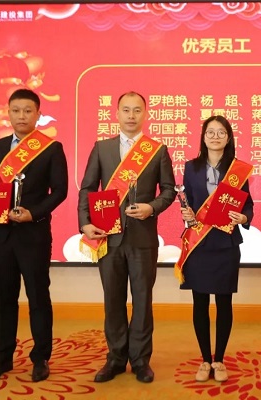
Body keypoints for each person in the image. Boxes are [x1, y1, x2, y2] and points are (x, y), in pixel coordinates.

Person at [78, 91, 176, 384]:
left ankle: (141, 360)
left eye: (137, 110)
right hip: (108, 237)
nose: (131, 115)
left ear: (145, 114)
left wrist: (151, 207)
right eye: (126, 110)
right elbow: (87, 188)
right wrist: (85, 223)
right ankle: (116, 359)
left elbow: (168, 190)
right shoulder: (102, 148)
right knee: (113, 300)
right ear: (117, 113)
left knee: (143, 301)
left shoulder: (157, 150)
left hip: (143, 238)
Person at [0, 88, 68, 382]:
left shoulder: (51, 149)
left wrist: (34, 213)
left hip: (33, 234)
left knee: (38, 297)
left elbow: (60, 191)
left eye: (28, 111)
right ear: (8, 113)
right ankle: (2, 357)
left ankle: (40, 358)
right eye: (16, 110)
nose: (22, 116)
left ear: (38, 114)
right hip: (0, 236)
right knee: (3, 299)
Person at [177, 116, 254, 383]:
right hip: (199, 244)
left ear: (229, 137)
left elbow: (248, 205)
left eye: (221, 132)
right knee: (199, 302)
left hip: (225, 244)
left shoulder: (237, 169)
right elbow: (188, 201)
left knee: (223, 302)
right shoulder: (191, 167)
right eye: (210, 132)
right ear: (203, 137)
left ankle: (219, 359)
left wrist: (244, 217)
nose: (215, 136)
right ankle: (205, 359)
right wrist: (186, 213)